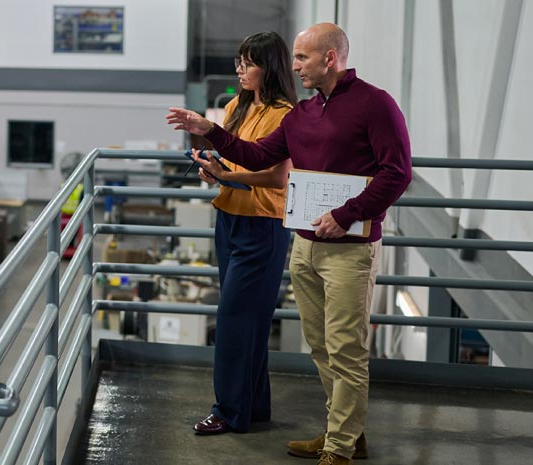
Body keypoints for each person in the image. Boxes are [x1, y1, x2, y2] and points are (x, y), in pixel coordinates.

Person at [167, 23, 412, 465]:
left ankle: (338, 448)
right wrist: (210, 130)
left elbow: (397, 173)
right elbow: (259, 155)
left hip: (349, 246)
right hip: (305, 242)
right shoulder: (305, 113)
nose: (294, 65)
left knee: (346, 347)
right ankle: (344, 432)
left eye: (302, 57)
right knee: (319, 345)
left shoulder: (375, 105)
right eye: (295, 58)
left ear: (330, 59)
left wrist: (345, 214)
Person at [188, 31, 296, 438]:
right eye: (238, 61)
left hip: (263, 223)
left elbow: (277, 174)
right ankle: (253, 406)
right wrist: (211, 165)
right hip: (229, 217)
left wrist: (229, 174)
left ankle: (228, 411)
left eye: (248, 63)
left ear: (269, 68)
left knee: (234, 318)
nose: (240, 69)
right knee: (247, 319)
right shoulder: (236, 104)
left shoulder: (285, 114)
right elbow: (231, 157)